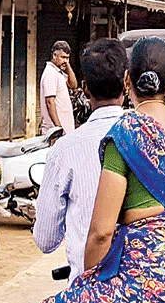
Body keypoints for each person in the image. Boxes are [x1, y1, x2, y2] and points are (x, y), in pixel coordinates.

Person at [21, 37, 165, 303]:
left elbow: (101, 232)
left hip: (135, 290)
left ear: (128, 81)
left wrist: (88, 279)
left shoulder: (125, 135)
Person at [32, 39, 127, 285]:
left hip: (86, 289)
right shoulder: (150, 138)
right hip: (144, 289)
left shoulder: (65, 151)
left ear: (85, 89)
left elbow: (45, 240)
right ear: (126, 81)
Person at [40, 41, 78, 135]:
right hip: (55, 131)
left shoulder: (58, 72)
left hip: (64, 131)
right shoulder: (50, 73)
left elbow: (73, 85)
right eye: (62, 57)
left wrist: (67, 65)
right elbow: (50, 102)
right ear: (54, 56)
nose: (65, 60)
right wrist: (58, 127)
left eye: (67, 58)